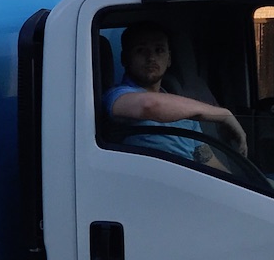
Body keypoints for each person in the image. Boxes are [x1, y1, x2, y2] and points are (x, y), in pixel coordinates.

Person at [105, 23, 247, 170]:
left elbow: (207, 160)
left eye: (159, 50)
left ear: (169, 59)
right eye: (141, 50)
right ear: (124, 59)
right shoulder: (116, 96)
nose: (151, 57)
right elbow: (149, 105)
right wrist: (224, 115)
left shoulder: (182, 107)